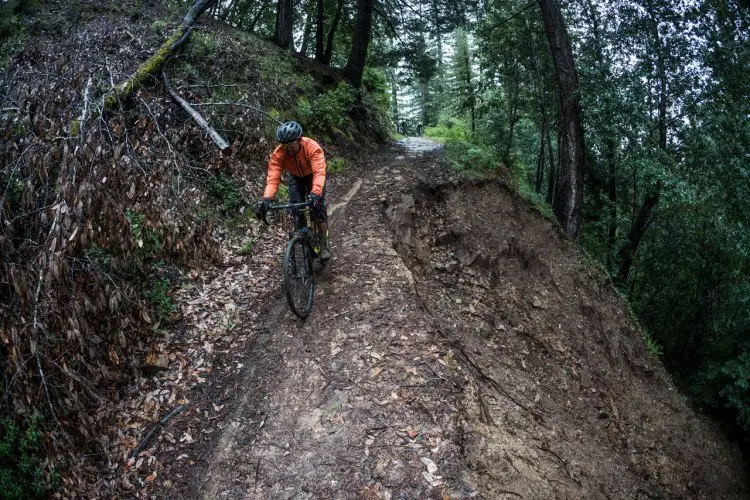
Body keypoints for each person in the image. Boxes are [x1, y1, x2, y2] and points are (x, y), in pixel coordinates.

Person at [256, 121, 331, 261]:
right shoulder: (279, 154)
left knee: (318, 210)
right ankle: (303, 238)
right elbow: (273, 178)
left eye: (291, 145)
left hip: (312, 176)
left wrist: (315, 194)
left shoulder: (312, 147)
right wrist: (267, 198)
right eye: (285, 146)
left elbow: (319, 173)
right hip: (295, 177)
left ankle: (323, 246)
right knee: (296, 209)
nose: (288, 149)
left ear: (299, 140)